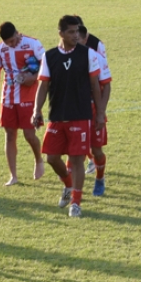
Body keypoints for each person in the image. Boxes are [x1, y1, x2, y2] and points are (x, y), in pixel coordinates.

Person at [33, 15, 106, 218]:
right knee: (51, 158)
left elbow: (95, 85)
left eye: (77, 31)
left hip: (80, 115)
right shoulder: (49, 56)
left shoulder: (87, 54)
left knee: (76, 160)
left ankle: (76, 203)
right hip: (57, 115)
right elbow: (43, 86)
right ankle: (67, 184)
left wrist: (100, 113)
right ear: (61, 33)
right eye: (71, 32)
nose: (75, 35)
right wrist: (36, 110)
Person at [0, 22, 46, 186]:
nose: (11, 44)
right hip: (8, 98)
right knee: (10, 135)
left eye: (13, 41)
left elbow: (46, 66)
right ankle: (13, 175)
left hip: (28, 97)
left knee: (29, 135)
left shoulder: (33, 44)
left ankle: (38, 160)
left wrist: (32, 78)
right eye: (8, 43)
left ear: (17, 33)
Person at [75, 19, 111, 196]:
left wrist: (101, 112)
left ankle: (100, 178)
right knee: (74, 151)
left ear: (84, 39)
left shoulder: (96, 57)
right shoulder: (65, 57)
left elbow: (106, 85)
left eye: (77, 39)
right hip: (75, 110)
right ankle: (73, 190)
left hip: (93, 109)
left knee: (96, 150)